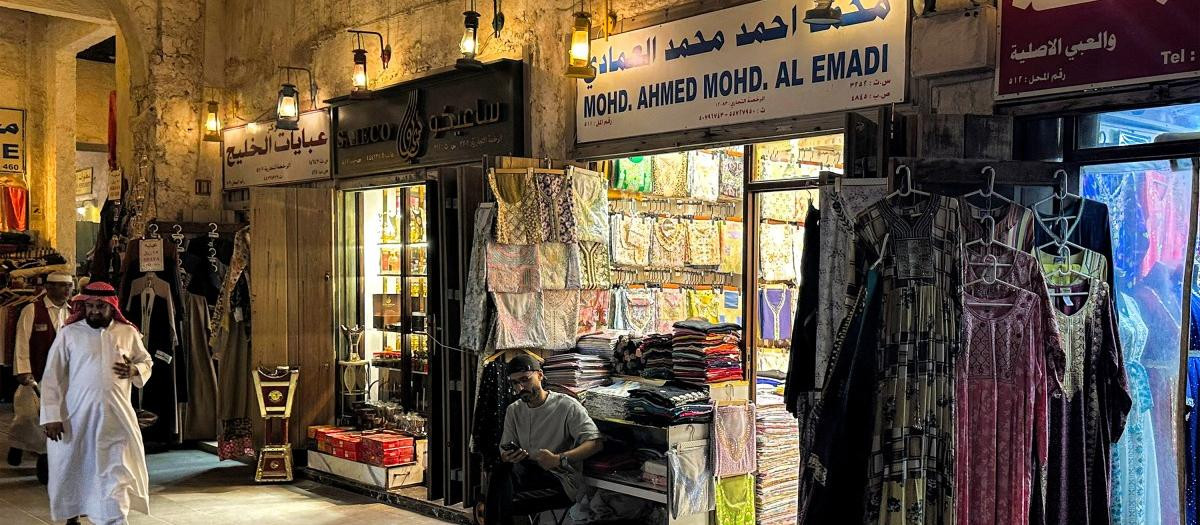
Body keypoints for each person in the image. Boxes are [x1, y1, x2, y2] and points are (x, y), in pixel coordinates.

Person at [40, 282, 153, 525]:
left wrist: (135, 369)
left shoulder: (128, 333)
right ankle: (73, 517)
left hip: (116, 419)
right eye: (89, 306)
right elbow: (52, 376)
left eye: (100, 307)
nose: (94, 311)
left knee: (115, 472)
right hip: (75, 418)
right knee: (72, 467)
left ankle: (113, 519)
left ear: (112, 307)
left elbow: (146, 361)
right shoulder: (69, 333)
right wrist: (51, 415)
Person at [485, 354, 603, 524]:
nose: (520, 388)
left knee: (504, 500)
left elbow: (595, 443)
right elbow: (504, 450)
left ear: (539, 375)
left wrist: (559, 458)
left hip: (559, 479)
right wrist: (509, 456)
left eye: (525, 380)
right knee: (500, 474)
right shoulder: (514, 410)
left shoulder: (566, 405)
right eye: (515, 383)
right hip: (527, 474)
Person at [7, 272, 73, 483]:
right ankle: (17, 444)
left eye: (69, 287)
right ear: (49, 287)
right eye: (62, 287)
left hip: (63, 377)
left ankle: (45, 461)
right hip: (36, 374)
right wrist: (23, 370)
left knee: (50, 419)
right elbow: (22, 341)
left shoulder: (73, 312)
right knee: (27, 416)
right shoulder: (31, 310)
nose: (67, 291)